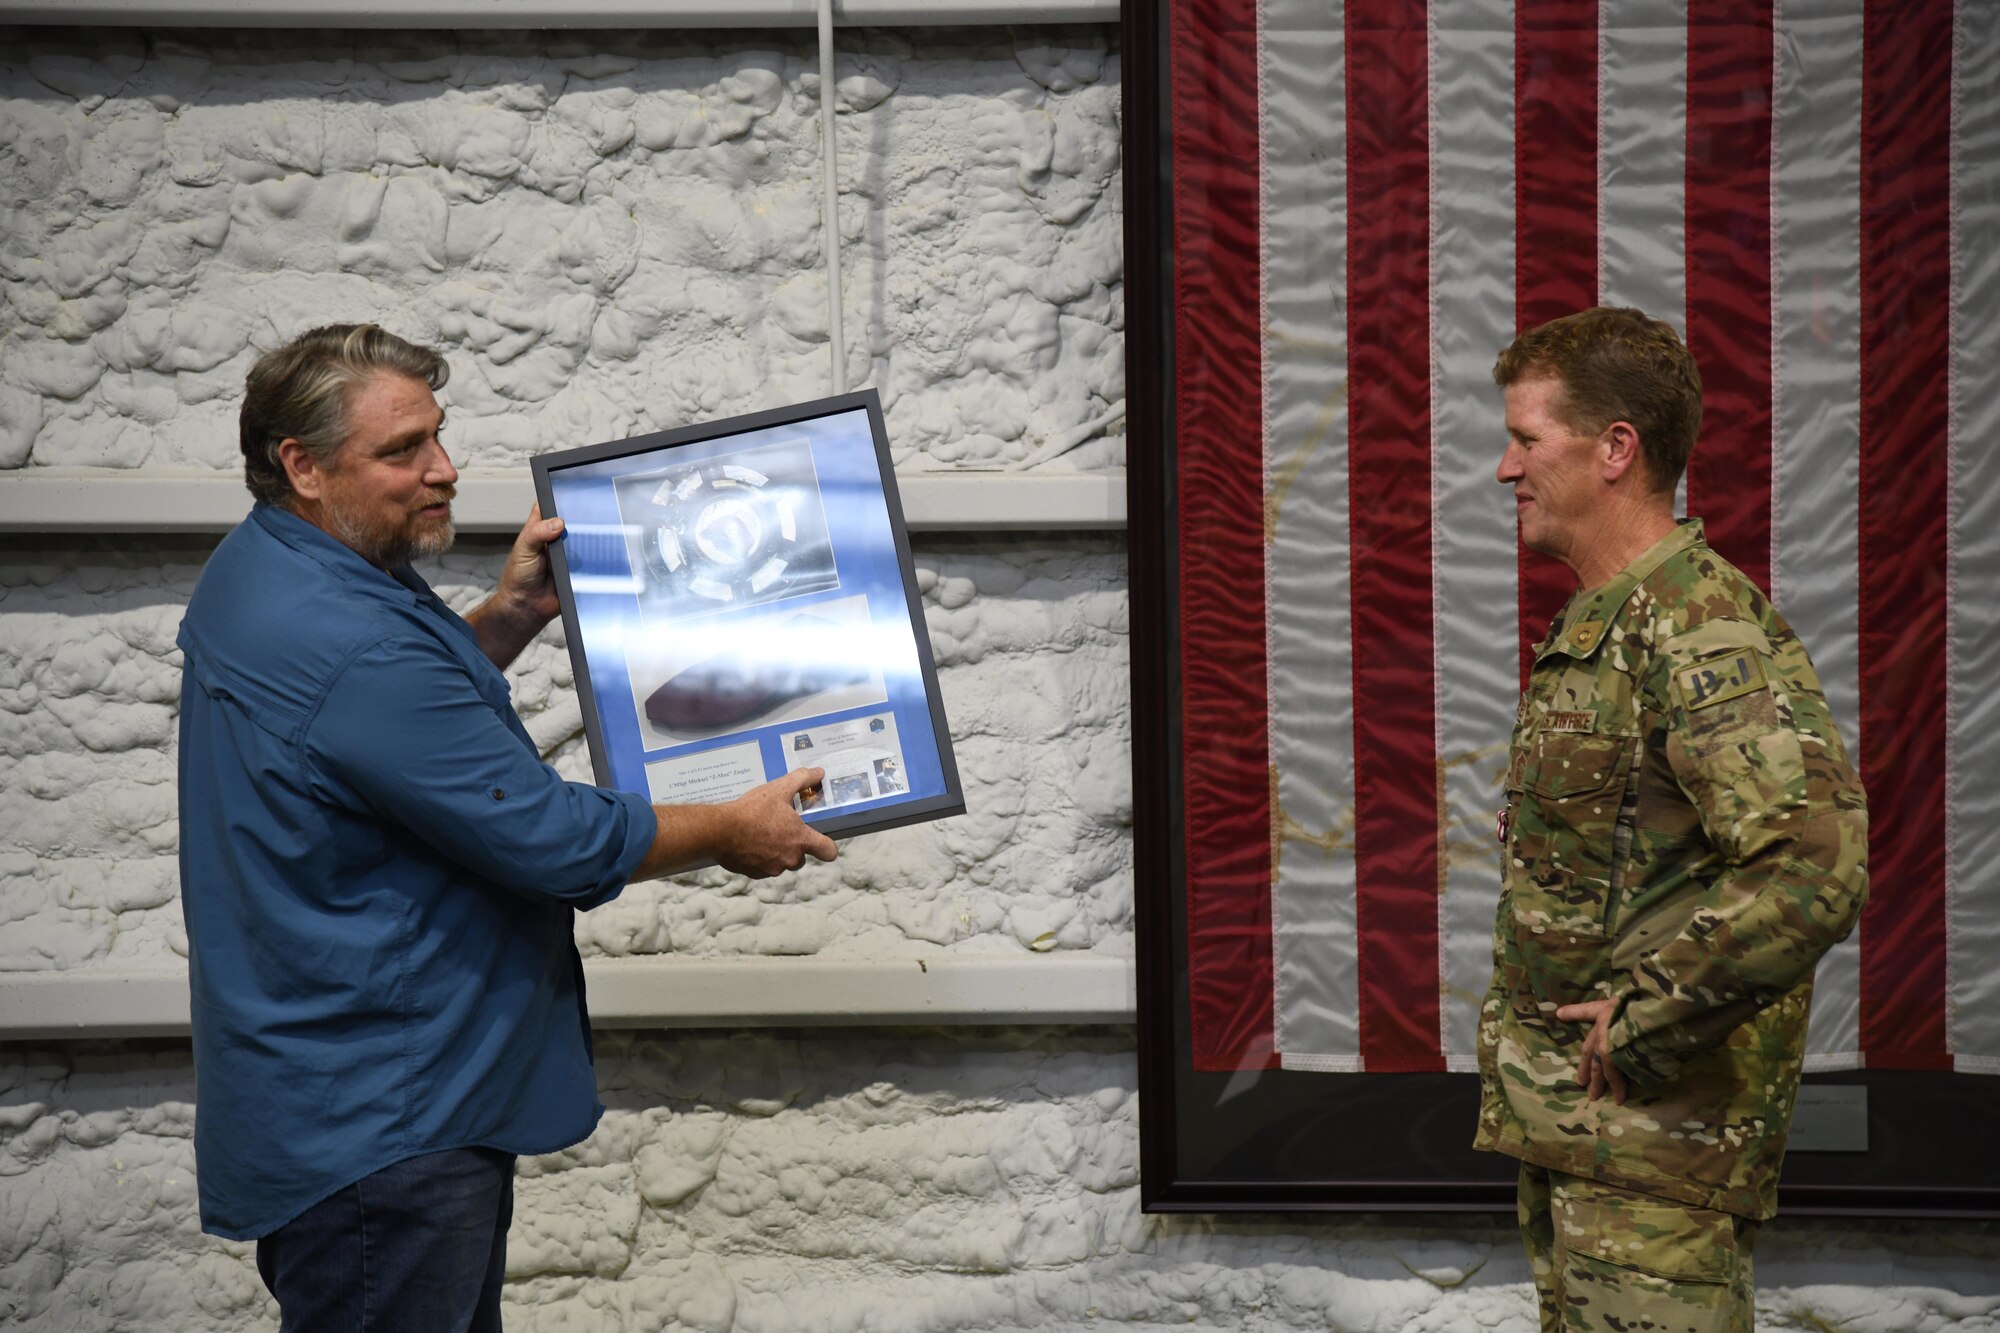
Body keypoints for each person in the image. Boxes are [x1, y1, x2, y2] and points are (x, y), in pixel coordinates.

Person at [176, 324, 838, 1331]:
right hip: (387, 1128)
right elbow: (550, 838)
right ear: (300, 465)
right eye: (402, 451)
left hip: (342, 1093)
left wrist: (515, 614)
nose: (443, 470)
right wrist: (726, 829)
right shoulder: (343, 635)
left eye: (438, 436)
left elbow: (385, 741)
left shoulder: (269, 566)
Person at [1473, 307, 1868, 1333]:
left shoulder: (1697, 628)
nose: (1502, 470)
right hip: (1588, 1144)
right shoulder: (1607, 625)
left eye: (1524, 439)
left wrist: (1645, 1021)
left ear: (1615, 450)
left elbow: (1812, 862)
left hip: (1656, 1153)